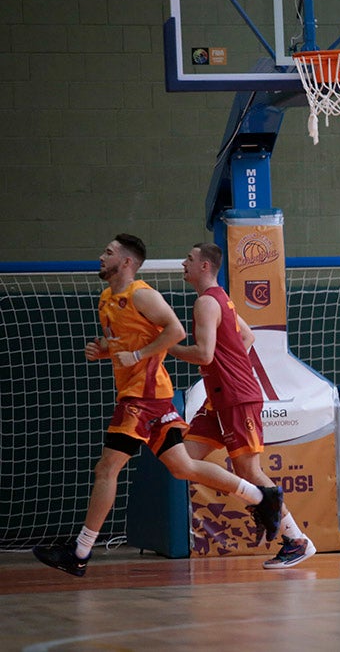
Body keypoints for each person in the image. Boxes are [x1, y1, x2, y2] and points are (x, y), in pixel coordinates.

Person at [32, 234, 283, 577]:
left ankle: (80, 551)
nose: (101, 257)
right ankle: (260, 497)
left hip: (144, 395)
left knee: (107, 468)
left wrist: (138, 355)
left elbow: (175, 332)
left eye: (108, 253)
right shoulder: (108, 298)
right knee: (183, 468)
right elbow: (128, 339)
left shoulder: (144, 294)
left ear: (126, 262)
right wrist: (104, 350)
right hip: (147, 394)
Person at [168, 242, 315, 569]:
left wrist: (166, 347)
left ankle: (296, 540)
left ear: (205, 266)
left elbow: (204, 354)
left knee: (250, 470)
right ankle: (261, 501)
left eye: (189, 259)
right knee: (182, 462)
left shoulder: (207, 302)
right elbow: (246, 339)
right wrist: (229, 366)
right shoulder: (223, 301)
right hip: (218, 398)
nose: (183, 263)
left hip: (236, 397)